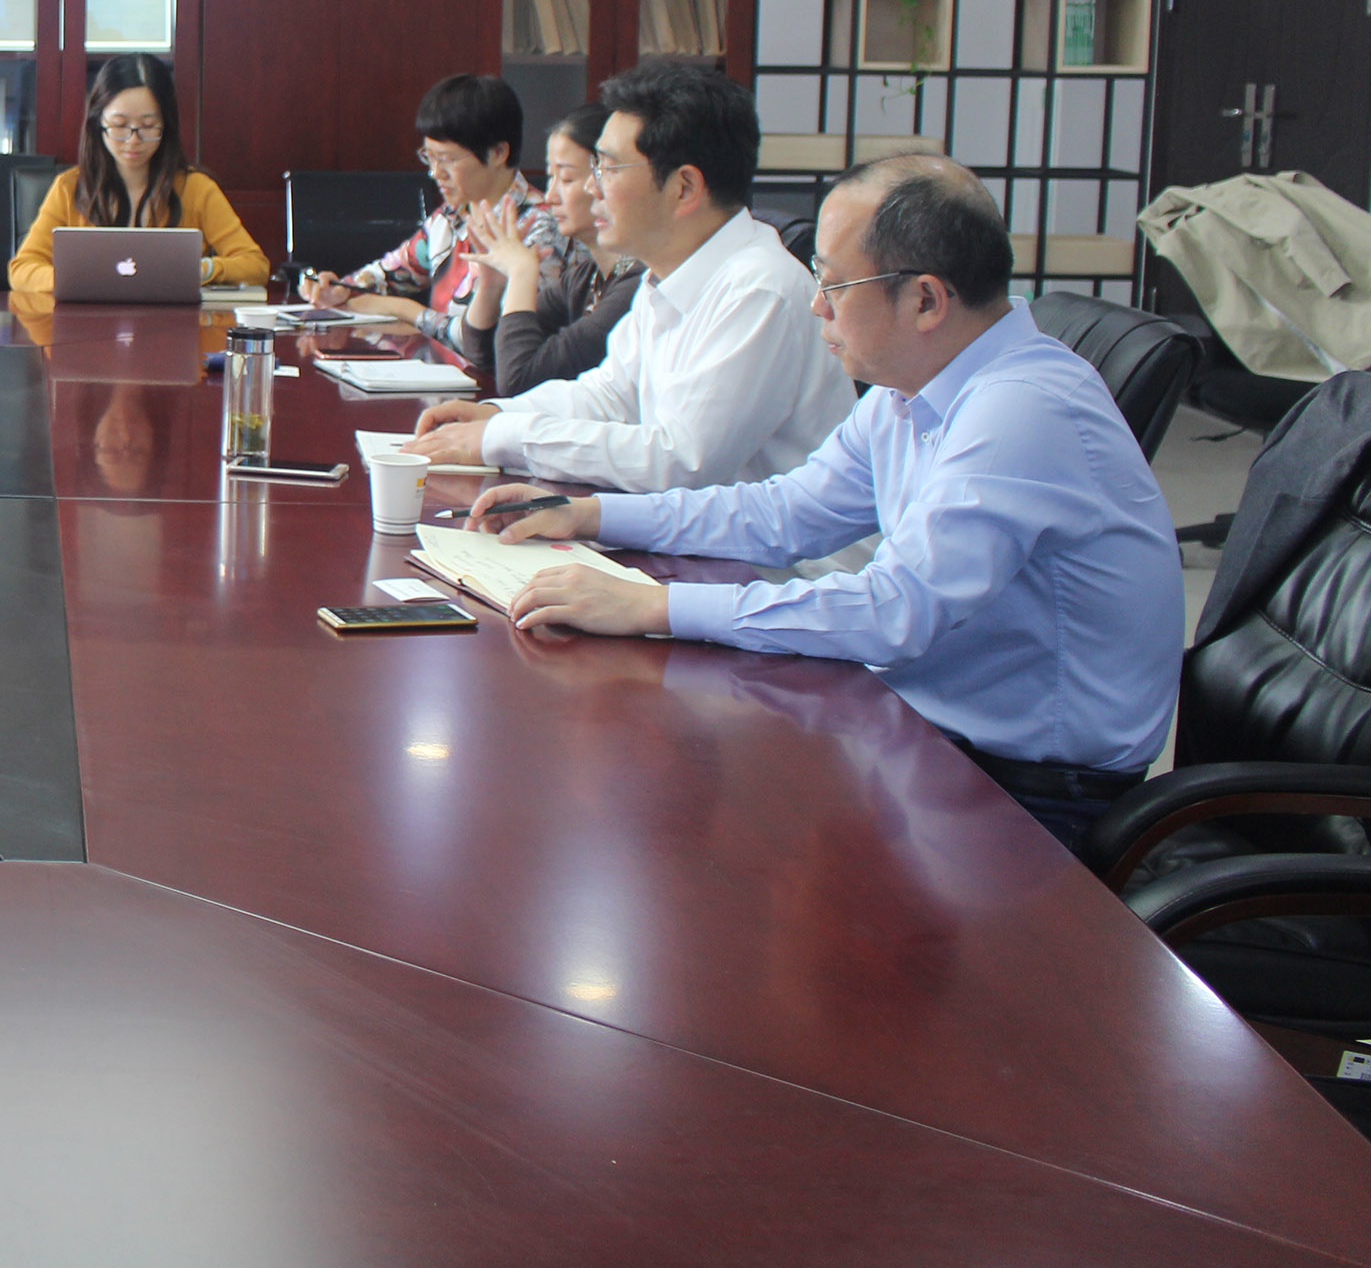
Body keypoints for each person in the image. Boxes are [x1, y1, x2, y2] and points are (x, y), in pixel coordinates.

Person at [467, 156, 1185, 851]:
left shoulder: (1021, 409)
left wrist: (654, 606)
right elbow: (784, 513)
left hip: (1031, 796)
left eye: (834, 284)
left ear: (925, 300)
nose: (816, 305)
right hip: (926, 733)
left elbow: (894, 612)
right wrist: (592, 515)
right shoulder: (913, 390)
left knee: (698, 824)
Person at [406, 62, 852, 489]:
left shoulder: (759, 290)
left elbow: (681, 460)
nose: (592, 186)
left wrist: (503, 438)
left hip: (766, 545)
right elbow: (609, 396)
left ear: (683, 188)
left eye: (607, 167)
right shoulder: (666, 274)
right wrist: (498, 415)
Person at [302, 74, 540, 360]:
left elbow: (496, 345)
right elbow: (390, 274)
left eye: (448, 159)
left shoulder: (538, 227)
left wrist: (408, 311)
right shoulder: (451, 216)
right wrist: (341, 290)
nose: (435, 173)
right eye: (430, 157)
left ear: (498, 153)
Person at [8, 53, 270, 296]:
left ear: (166, 125)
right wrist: (77, 279)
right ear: (98, 123)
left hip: (173, 325)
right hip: (88, 322)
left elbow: (255, 266)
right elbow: (21, 269)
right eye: (120, 125)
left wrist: (200, 270)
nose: (133, 140)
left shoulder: (196, 188)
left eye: (148, 126)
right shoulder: (69, 187)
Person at [455, 101, 642, 395]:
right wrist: (490, 287)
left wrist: (521, 272)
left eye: (566, 178)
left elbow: (519, 381)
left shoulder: (636, 286)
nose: (551, 195)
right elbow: (484, 358)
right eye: (550, 176)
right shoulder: (584, 278)